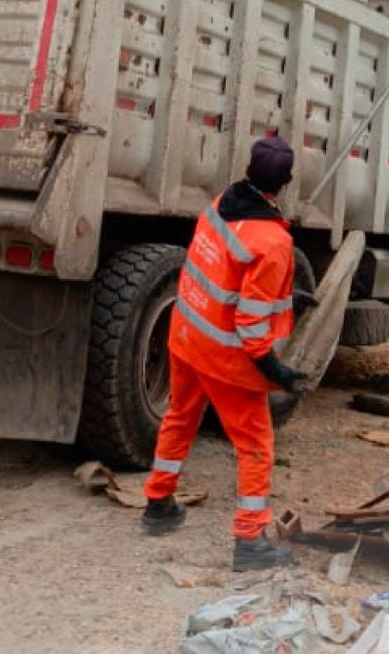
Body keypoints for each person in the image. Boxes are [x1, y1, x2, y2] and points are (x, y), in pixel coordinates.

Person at [142, 137, 313, 572]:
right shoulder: (273, 243)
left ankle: (158, 503)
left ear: (249, 170)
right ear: (286, 182)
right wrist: (277, 370)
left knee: (180, 416)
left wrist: (286, 295)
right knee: (255, 446)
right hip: (225, 357)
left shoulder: (221, 205)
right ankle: (250, 540)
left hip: (187, 334)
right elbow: (251, 327)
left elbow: (225, 273)